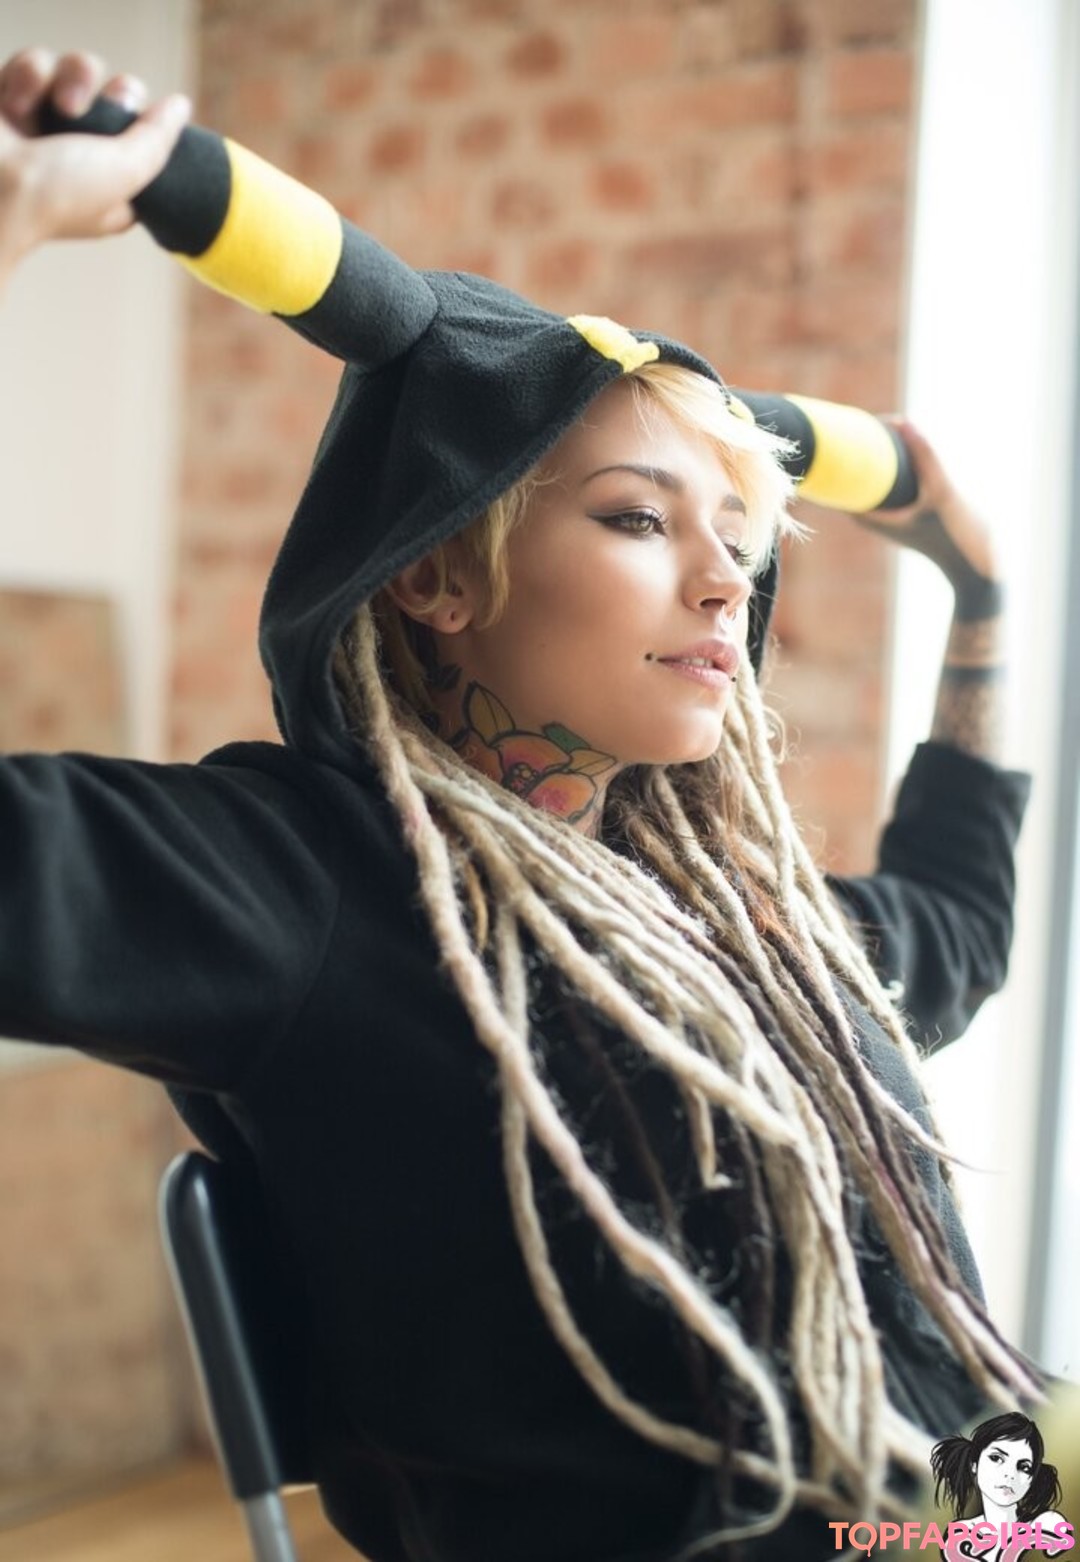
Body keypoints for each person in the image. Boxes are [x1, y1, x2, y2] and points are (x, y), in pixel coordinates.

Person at [0, 47, 1046, 1562]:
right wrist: (19, 218)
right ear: (436, 571)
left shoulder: (741, 928)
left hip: (973, 1529)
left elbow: (956, 917)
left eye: (739, 536)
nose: (724, 579)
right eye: (638, 517)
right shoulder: (311, 882)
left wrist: (982, 590)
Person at [930, 1412, 1071, 1562]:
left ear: (1032, 1479)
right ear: (974, 1464)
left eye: (1024, 1467)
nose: (1010, 1474)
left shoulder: (1047, 1524)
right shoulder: (959, 1535)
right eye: (996, 1458)